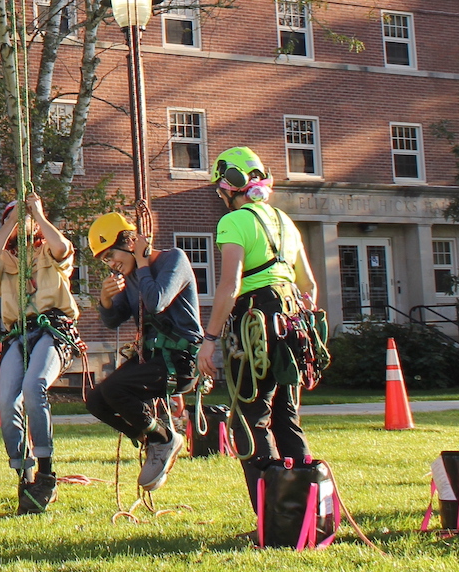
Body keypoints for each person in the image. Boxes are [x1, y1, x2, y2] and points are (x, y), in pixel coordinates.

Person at [195, 146, 322, 513]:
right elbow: (309, 285)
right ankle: (303, 512)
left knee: (251, 422)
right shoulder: (285, 221)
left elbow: (230, 286)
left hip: (255, 323)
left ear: (228, 186)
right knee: (287, 418)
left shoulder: (234, 222)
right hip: (292, 321)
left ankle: (273, 516)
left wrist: (210, 340)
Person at [87, 203, 201, 493]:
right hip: (152, 358)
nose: (111, 264)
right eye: (104, 260)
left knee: (114, 389)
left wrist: (143, 263)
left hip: (179, 360)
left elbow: (156, 301)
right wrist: (105, 300)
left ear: (129, 242)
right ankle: (156, 438)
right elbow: (115, 320)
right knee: (96, 400)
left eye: (111, 254)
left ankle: (162, 440)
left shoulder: (174, 260)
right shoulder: (136, 276)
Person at [0, 192, 78, 514]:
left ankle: (47, 471)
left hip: (53, 330)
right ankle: (24, 473)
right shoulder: (5, 263)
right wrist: (10, 222)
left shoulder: (49, 249)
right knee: (6, 401)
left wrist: (38, 213)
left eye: (26, 223)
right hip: (20, 334)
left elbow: (62, 248)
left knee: (34, 387)